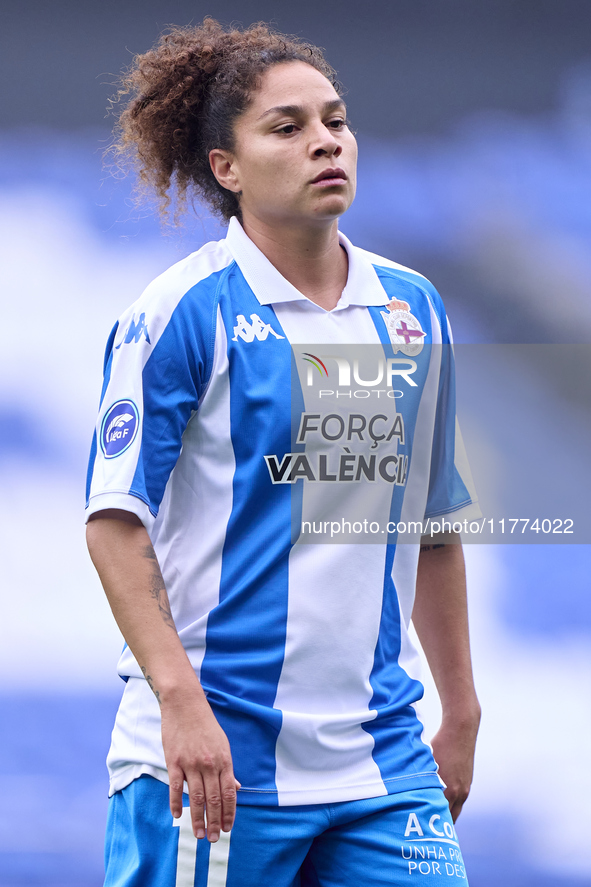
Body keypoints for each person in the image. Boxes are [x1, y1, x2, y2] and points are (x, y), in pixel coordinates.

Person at [86, 18, 481, 887]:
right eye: (287, 126)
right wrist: (179, 704)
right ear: (225, 169)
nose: (324, 142)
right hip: (215, 759)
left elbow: (433, 525)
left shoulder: (410, 309)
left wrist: (460, 706)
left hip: (381, 762)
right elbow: (114, 524)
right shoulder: (182, 311)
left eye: (334, 120)